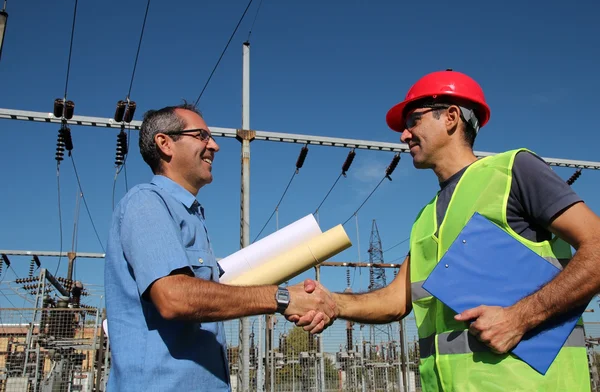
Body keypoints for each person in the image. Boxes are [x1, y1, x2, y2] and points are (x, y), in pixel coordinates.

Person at [293, 70, 600, 391]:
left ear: (451, 117)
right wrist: (334, 303)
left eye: (413, 120)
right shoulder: (426, 218)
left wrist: (520, 317)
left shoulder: (513, 171)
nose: (404, 135)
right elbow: (397, 300)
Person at [104, 103, 337, 391]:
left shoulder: (190, 216)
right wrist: (282, 298)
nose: (214, 145)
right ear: (165, 143)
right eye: (201, 135)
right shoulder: (146, 203)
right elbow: (174, 297)